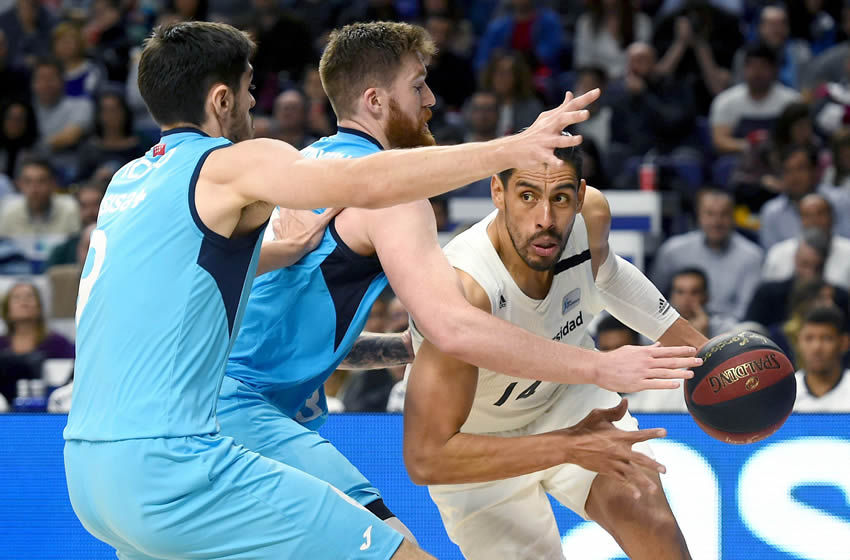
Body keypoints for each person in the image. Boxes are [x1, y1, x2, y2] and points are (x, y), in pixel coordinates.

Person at [61, 19, 622, 560]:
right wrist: (512, 149)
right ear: (221, 101)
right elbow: (369, 185)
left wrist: (283, 258)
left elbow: (194, 296)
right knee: (400, 554)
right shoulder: (239, 165)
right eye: (250, 91)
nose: (256, 104)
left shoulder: (128, 182)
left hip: (89, 472)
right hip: (187, 447)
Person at [217, 22, 701, 556]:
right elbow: (452, 331)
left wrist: (403, 347)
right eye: (418, 85)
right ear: (376, 100)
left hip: (234, 404)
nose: (431, 99)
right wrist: (602, 366)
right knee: (395, 549)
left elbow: (280, 325)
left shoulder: (306, 170)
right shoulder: (389, 199)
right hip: (251, 414)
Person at [403, 142, 707, 559]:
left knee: (650, 521)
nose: (545, 220)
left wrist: (703, 349)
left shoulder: (590, 216)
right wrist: (568, 445)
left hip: (566, 398)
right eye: (527, 196)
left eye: (560, 198)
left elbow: (608, 275)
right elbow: (426, 459)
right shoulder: (465, 292)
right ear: (497, 192)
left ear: (580, 196)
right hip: (476, 444)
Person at [650, 188, 763, 321]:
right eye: (710, 214)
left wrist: (712, 329)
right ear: (699, 216)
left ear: (733, 217)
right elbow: (654, 300)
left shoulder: (752, 256)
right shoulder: (672, 251)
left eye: (724, 214)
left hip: (729, 332)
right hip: (677, 325)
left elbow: (746, 311)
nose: (716, 222)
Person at [0, 281, 75, 404]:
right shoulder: (1, 344)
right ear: (7, 309)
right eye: (17, 298)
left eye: (30, 296)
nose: (24, 302)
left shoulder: (58, 343)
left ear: (39, 307)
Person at [793, 305, 850, 412]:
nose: (816, 348)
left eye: (826, 338)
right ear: (798, 341)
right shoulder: (785, 392)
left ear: (844, 342)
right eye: (809, 338)